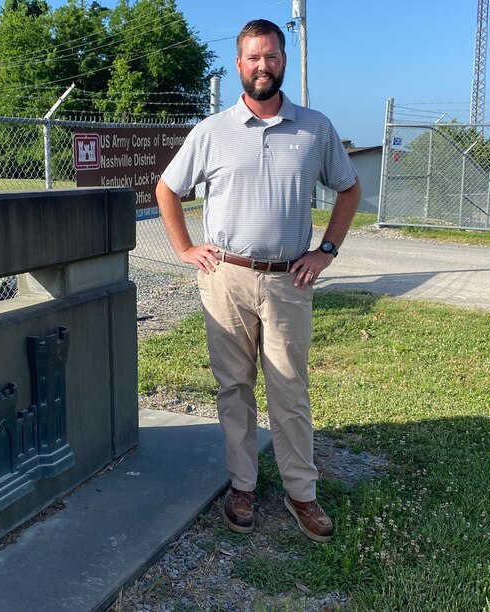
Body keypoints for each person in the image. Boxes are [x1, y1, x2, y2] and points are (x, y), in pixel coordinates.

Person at [155, 18, 361, 542]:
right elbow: (167, 189)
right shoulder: (211, 131)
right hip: (226, 278)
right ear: (239, 64)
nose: (262, 65)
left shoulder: (315, 129)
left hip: (290, 281)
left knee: (289, 389)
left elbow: (350, 189)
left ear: (283, 61)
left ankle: (301, 494)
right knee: (234, 387)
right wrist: (184, 247)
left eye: (270, 56)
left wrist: (326, 252)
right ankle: (242, 485)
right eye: (252, 57)